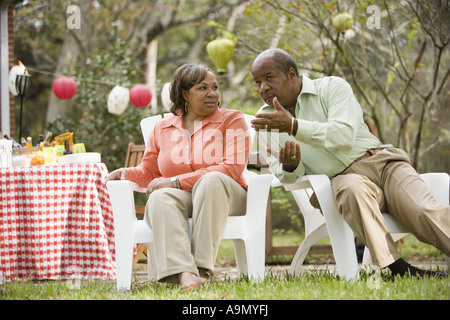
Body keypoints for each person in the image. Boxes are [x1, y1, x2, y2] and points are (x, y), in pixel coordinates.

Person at [250, 48, 449, 279]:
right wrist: (291, 166)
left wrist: (294, 126)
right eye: (257, 82)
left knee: (422, 211)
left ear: (291, 75)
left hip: (383, 164)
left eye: (268, 78)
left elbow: (343, 135)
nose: (262, 88)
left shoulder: (332, 87)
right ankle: (396, 268)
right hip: (343, 181)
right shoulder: (264, 122)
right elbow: (282, 174)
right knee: (351, 187)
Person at [107, 64, 250, 290]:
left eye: (215, 87)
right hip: (187, 199)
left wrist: (176, 182)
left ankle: (203, 269)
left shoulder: (232, 120)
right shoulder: (162, 128)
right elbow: (151, 171)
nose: (212, 93)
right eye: (203, 88)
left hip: (227, 197)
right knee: (160, 198)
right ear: (184, 93)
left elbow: (231, 168)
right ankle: (186, 274)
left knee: (211, 180)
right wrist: (126, 173)